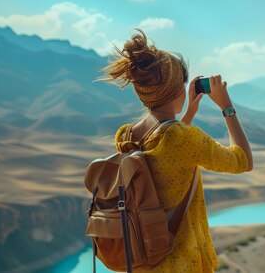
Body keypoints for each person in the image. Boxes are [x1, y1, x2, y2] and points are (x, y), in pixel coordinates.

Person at [96, 28, 253, 272]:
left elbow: (166, 151)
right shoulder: (184, 138)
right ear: (178, 89)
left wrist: (188, 113)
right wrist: (227, 106)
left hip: (143, 261)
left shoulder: (126, 135)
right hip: (182, 263)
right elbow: (242, 161)